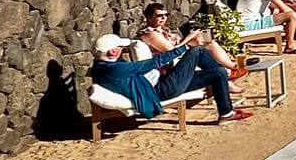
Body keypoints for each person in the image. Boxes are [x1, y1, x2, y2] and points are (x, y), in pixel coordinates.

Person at [91, 33, 250, 124]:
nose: (121, 49)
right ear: (112, 52)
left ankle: (226, 113)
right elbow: (154, 62)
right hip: (162, 90)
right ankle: (228, 80)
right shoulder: (114, 69)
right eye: (119, 47)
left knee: (218, 73)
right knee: (197, 51)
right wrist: (187, 45)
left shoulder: (102, 66)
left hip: (161, 85)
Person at [137, 2, 246, 80]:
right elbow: (172, 51)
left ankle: (231, 68)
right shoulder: (150, 34)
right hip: (171, 64)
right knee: (204, 49)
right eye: (159, 16)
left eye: (166, 15)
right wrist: (189, 38)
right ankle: (231, 70)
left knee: (210, 43)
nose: (164, 18)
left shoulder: (164, 30)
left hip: (181, 56)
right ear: (149, 17)